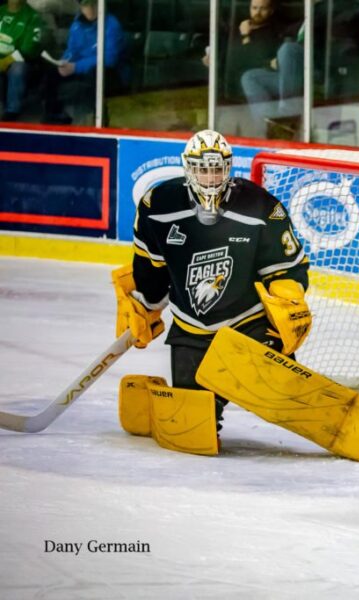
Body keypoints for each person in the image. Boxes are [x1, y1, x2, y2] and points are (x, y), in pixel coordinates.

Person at [115, 130, 311, 432]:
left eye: (217, 169)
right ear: (187, 167)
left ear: (229, 168)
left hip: (248, 325)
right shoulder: (158, 206)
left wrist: (289, 297)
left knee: (289, 398)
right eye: (202, 169)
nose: (210, 177)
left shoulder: (260, 206)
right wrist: (146, 302)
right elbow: (151, 266)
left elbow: (286, 268)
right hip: (191, 329)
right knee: (190, 423)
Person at [42, 0, 126, 125]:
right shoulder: (77, 23)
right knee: (51, 74)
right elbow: (72, 49)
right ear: (81, 7)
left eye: (94, 5)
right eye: (86, 5)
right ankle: (55, 115)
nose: (90, 9)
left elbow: (109, 58)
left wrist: (76, 67)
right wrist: (65, 62)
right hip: (80, 66)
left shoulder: (112, 24)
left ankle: (95, 119)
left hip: (110, 72)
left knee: (95, 76)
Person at [0, 0, 43, 121]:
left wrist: (5, 62)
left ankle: (12, 112)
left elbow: (28, 49)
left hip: (18, 60)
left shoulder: (32, 16)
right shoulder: (1, 11)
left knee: (18, 69)